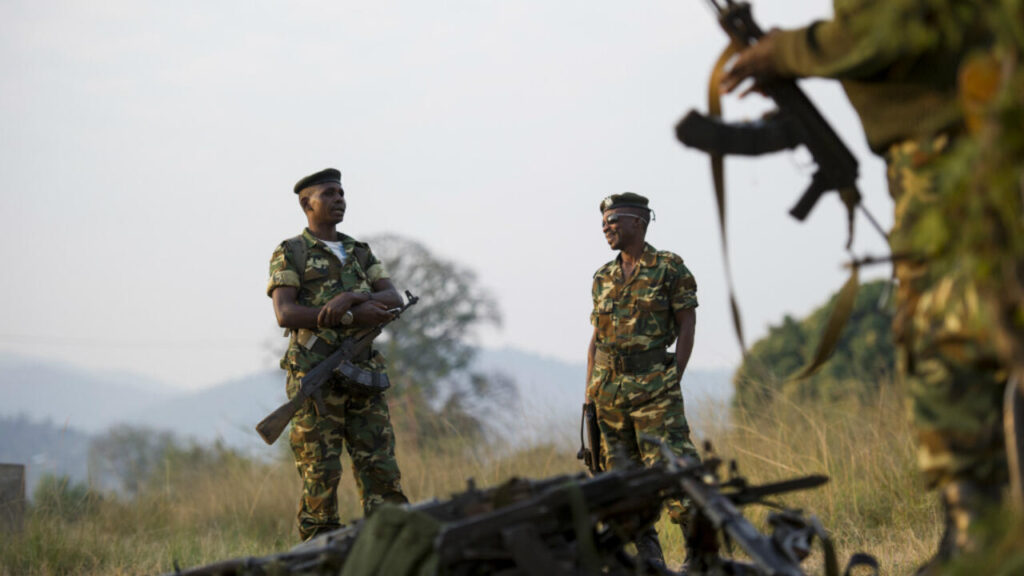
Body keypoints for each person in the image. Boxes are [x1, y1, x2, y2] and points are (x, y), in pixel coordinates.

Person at [719, 3, 1008, 570]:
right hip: (962, 146)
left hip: (958, 154)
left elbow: (896, 25)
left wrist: (786, 51)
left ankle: (983, 544)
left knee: (948, 347)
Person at [267, 167, 408, 540]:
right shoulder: (291, 252)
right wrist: (348, 315)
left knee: (383, 479)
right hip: (317, 380)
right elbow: (286, 312)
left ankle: (391, 557)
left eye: (341, 193)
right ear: (306, 203)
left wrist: (352, 296)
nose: (338, 199)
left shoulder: (359, 252)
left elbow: (393, 297)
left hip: (364, 377)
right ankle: (319, 559)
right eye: (328, 193)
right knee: (321, 483)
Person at [585, 192, 702, 569]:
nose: (606, 226)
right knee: (622, 483)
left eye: (614, 220)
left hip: (654, 388)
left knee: (674, 473)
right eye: (604, 221)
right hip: (608, 393)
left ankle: (699, 558)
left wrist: (674, 379)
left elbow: (687, 324)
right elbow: (595, 340)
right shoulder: (602, 276)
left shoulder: (669, 267)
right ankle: (650, 560)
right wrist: (589, 397)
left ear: (639, 222)